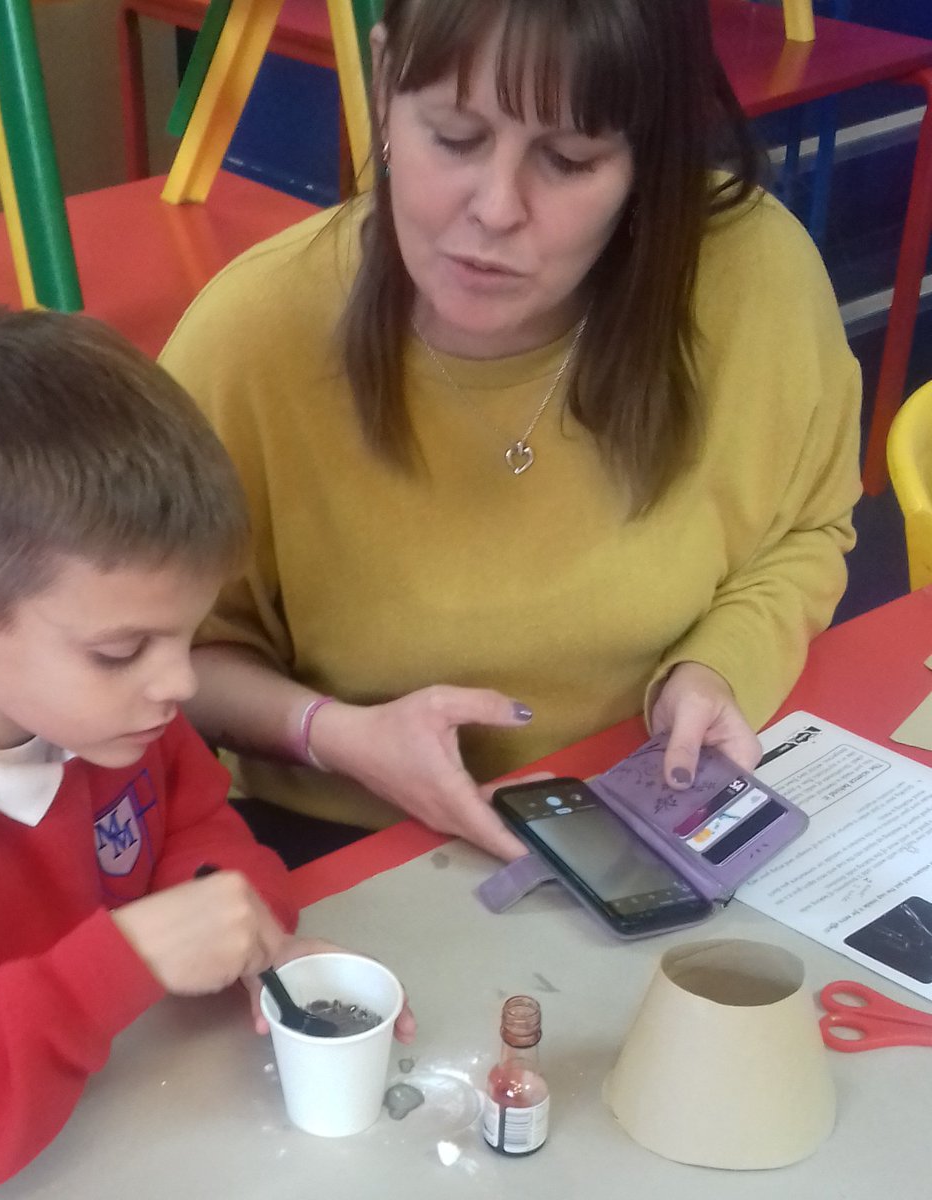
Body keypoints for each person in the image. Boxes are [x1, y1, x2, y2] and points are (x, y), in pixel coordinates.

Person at [160, 0, 862, 867]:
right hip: (349, 847)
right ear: (384, 89)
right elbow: (171, 657)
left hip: (650, 811)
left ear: (647, 159)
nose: (496, 209)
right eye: (454, 137)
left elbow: (806, 529)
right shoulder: (250, 336)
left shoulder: (754, 277)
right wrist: (336, 736)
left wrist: (718, 671)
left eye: (569, 160)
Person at [0, 309, 412, 1200]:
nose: (177, 683)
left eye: (187, 633)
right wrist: (122, 962)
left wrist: (244, 930)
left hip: (105, 1096)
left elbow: (197, 824)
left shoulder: (97, 698)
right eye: (124, 649)